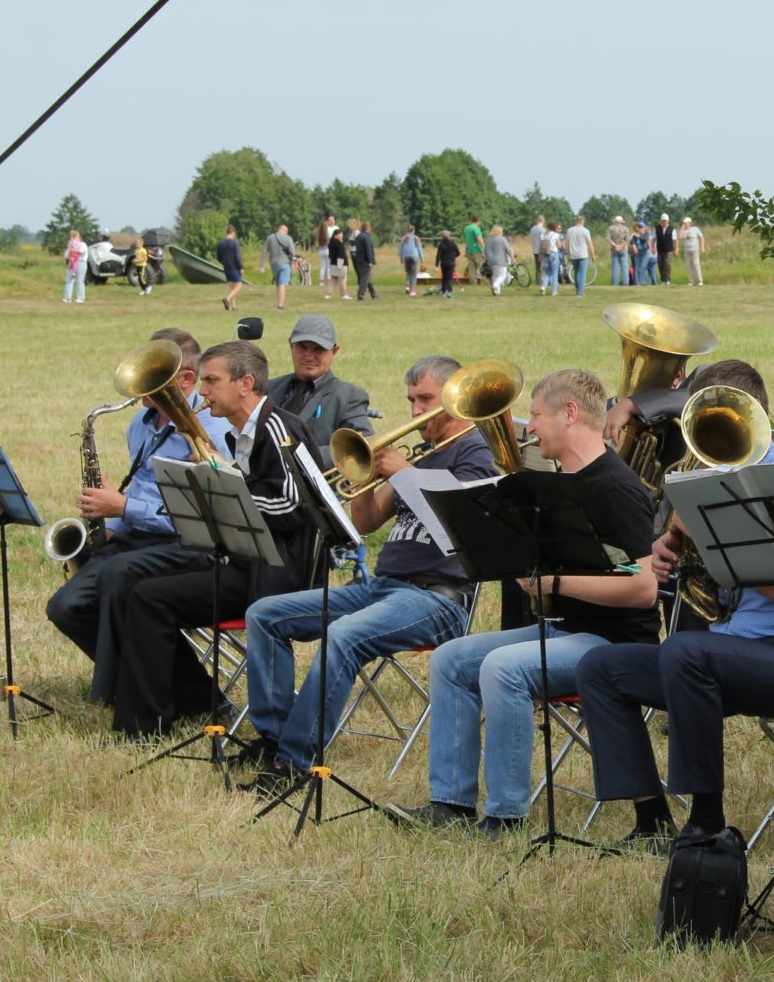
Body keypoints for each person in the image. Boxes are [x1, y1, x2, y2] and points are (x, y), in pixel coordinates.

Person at [577, 360, 774, 846]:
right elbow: (685, 552)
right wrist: (669, 550)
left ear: (750, 416)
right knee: (599, 668)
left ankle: (706, 820)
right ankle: (651, 818)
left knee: (686, 649)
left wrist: (713, 545)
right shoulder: (708, 479)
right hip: (735, 648)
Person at [409, 369, 659, 835]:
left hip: (615, 640)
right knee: (450, 659)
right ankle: (451, 804)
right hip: (567, 630)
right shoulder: (563, 482)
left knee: (503, 667)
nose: (529, 428)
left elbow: (642, 588)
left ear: (569, 413)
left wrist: (556, 583)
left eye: (537, 416)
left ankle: (506, 816)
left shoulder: (615, 487)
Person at [246, 356, 502, 799]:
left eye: (426, 400)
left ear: (454, 400)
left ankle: (294, 761)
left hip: (438, 598)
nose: (415, 411)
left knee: (343, 636)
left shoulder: (475, 453)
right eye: (411, 400)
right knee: (265, 615)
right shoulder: (422, 453)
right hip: (384, 588)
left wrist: (404, 472)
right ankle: (273, 738)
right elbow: (365, 523)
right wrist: (363, 477)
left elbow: (463, 530)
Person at [107, 341, 320, 737]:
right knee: (144, 595)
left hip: (280, 577)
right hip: (248, 563)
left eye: (211, 381)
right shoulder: (242, 432)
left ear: (246, 384)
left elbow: (293, 508)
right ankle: (155, 718)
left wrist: (228, 487)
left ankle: (149, 724)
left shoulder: (278, 427)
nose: (202, 392)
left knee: (150, 598)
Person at [46, 328, 235, 703]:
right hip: (135, 540)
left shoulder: (210, 430)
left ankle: (130, 693)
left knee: (127, 589)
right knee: (65, 608)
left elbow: (202, 516)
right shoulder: (140, 425)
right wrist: (112, 523)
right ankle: (166, 688)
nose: (142, 388)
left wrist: (123, 507)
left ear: (185, 379)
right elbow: (139, 490)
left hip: (182, 543)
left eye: (155, 377)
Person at [264, 314, 374, 471]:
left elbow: (364, 446)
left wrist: (296, 458)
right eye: (302, 346)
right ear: (290, 345)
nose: (309, 356)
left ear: (334, 351)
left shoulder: (349, 396)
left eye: (318, 349)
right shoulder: (269, 388)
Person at [263, 223, 297, 311]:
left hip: (273, 263)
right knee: (282, 284)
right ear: (285, 231)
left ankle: (278, 303)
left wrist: (261, 265)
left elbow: (265, 252)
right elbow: (292, 252)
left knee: (278, 284)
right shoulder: (288, 238)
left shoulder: (270, 237)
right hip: (285, 263)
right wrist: (293, 264)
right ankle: (280, 306)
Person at [564, 214, 594, 296]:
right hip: (583, 254)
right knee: (583, 273)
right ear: (582, 221)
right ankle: (580, 292)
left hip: (574, 254)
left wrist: (567, 254)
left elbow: (567, 243)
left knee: (576, 273)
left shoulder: (569, 230)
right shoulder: (585, 231)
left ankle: (577, 289)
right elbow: (590, 244)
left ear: (576, 221)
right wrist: (593, 254)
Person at [216, 225, 244, 311]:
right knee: (238, 286)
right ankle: (227, 299)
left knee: (232, 287)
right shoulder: (235, 243)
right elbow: (237, 256)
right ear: (233, 233)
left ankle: (233, 306)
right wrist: (241, 267)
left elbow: (218, 256)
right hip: (234, 267)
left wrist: (223, 262)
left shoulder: (221, 243)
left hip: (226, 267)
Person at [351, 222, 380, 301]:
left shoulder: (358, 237)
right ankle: (361, 295)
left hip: (359, 260)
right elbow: (368, 249)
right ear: (368, 228)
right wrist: (370, 261)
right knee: (364, 278)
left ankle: (373, 293)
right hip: (366, 261)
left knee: (368, 277)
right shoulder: (367, 237)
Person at [483, 225, 513, 296]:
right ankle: (495, 286)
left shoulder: (488, 240)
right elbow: (508, 250)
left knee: (495, 275)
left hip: (491, 261)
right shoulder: (503, 239)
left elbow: (485, 250)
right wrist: (512, 258)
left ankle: (497, 292)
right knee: (503, 275)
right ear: (500, 231)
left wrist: (486, 259)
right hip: (500, 260)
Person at [62, 230, 87, 304]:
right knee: (69, 280)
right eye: (72, 236)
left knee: (79, 280)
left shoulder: (82, 244)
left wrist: (72, 249)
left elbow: (82, 251)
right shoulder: (70, 245)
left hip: (80, 262)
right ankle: (67, 297)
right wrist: (69, 255)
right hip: (71, 262)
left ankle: (80, 297)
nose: (73, 238)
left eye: (75, 236)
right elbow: (66, 255)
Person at [607, 215, 632, 287]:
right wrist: (622, 246)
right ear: (621, 222)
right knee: (625, 266)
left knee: (615, 266)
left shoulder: (610, 229)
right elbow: (627, 239)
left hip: (614, 249)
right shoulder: (625, 229)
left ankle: (615, 283)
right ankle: (626, 282)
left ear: (614, 221)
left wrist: (615, 245)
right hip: (623, 249)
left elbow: (608, 238)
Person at [398, 224, 423, 296]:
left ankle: (407, 286)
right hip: (414, 256)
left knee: (408, 272)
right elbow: (419, 249)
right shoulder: (416, 238)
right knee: (413, 274)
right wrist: (422, 258)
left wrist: (401, 258)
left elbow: (400, 249)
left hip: (406, 257)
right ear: (413, 230)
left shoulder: (404, 238)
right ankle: (412, 290)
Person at [537, 219, 560, 296]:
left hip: (545, 255)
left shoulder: (543, 235)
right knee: (554, 273)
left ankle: (543, 286)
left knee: (547, 273)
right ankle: (554, 291)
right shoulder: (555, 235)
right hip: (553, 254)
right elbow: (559, 245)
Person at [680, 217, 704, 287]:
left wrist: (702, 247)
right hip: (687, 250)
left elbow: (701, 237)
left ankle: (700, 280)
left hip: (695, 249)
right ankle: (691, 281)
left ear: (690, 223)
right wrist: (682, 227)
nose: (685, 224)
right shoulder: (684, 231)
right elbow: (680, 237)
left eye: (686, 223)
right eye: (684, 223)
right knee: (688, 266)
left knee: (696, 264)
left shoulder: (695, 229)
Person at [325, 228, 348, 300]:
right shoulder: (338, 243)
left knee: (333, 279)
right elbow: (340, 254)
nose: (342, 236)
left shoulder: (331, 242)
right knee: (342, 279)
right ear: (337, 235)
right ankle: (343, 294)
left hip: (333, 263)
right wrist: (340, 265)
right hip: (339, 263)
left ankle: (328, 294)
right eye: (341, 235)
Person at [462, 214, 485, 285]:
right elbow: (479, 239)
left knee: (472, 268)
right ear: (478, 221)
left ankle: (473, 283)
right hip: (477, 250)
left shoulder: (466, 228)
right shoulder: (476, 228)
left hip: (469, 250)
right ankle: (485, 282)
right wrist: (484, 248)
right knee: (482, 265)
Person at [435, 230, 459, 297]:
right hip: (451, 262)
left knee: (444, 278)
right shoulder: (453, 243)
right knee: (450, 278)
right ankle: (450, 292)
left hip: (444, 263)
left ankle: (444, 291)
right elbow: (458, 253)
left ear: (442, 237)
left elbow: (438, 256)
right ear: (449, 236)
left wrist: (436, 265)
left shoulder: (441, 245)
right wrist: (453, 256)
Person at [655, 213, 675, 285]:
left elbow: (675, 240)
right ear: (661, 221)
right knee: (660, 265)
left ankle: (668, 280)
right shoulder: (657, 228)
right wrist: (653, 248)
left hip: (669, 249)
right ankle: (663, 280)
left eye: (665, 221)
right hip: (660, 249)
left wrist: (676, 248)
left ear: (668, 221)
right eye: (663, 221)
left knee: (667, 264)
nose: (664, 222)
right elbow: (654, 239)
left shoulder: (672, 229)